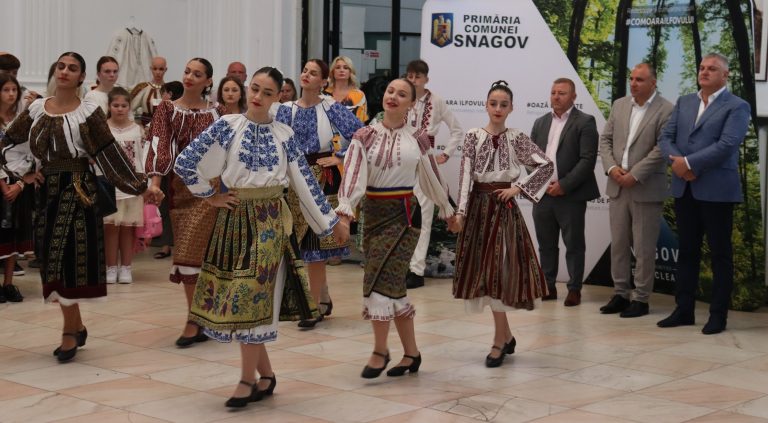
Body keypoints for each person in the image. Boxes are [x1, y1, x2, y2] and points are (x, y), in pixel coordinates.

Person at [175, 66, 345, 408]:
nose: (257, 96)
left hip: (270, 223)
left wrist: (331, 221)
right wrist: (210, 196)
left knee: (253, 296)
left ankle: (246, 380)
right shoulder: (227, 126)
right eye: (254, 88)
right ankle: (265, 374)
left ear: (277, 97)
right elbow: (186, 162)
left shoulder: (284, 134)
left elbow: (304, 183)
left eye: (267, 93)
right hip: (234, 221)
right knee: (243, 301)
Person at [0, 52, 149, 362]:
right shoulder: (37, 109)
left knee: (64, 259)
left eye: (72, 68)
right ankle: (76, 325)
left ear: (81, 77)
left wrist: (140, 185)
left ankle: (70, 332)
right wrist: (26, 174)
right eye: (61, 66)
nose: (65, 71)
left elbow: (109, 152)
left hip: (79, 190)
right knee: (50, 260)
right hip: (46, 192)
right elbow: (9, 141)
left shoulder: (89, 112)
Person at [336, 78, 456, 378]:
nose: (393, 96)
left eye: (402, 94)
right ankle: (412, 354)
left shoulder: (419, 138)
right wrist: (345, 214)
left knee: (378, 280)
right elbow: (352, 176)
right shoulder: (364, 136)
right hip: (374, 215)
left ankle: (380, 351)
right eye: (391, 91)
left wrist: (447, 210)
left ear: (411, 104)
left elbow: (432, 176)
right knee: (393, 287)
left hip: (405, 216)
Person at [452, 81, 552, 367]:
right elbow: (466, 175)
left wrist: (517, 188)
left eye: (503, 104)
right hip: (477, 211)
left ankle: (499, 342)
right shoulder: (472, 136)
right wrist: (460, 212)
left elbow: (546, 165)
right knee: (485, 275)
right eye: (493, 103)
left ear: (511, 108)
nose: (498, 108)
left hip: (503, 211)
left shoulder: (517, 137)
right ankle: (505, 336)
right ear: (486, 105)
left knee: (499, 271)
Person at [657, 53, 751, 335]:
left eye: (712, 68)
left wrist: (688, 164)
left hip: (717, 191)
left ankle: (718, 316)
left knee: (720, 255)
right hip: (685, 188)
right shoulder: (685, 101)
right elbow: (665, 137)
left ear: (726, 74)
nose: (705, 72)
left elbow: (727, 144)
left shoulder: (737, 105)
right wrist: (678, 164)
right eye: (702, 68)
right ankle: (683, 310)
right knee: (687, 252)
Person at [145, 57, 226, 346]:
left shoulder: (219, 113)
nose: (190, 77)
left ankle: (195, 320)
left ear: (208, 81)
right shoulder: (167, 109)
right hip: (179, 189)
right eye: (188, 71)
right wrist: (155, 184)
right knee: (189, 253)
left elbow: (228, 150)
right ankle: (203, 316)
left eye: (197, 74)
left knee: (192, 253)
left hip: (211, 190)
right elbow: (160, 143)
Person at [276, 59, 363, 328]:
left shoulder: (331, 107)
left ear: (323, 81)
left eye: (313, 73)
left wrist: (339, 156)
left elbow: (361, 135)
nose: (306, 75)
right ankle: (320, 298)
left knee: (316, 243)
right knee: (298, 244)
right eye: (305, 70)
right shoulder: (285, 110)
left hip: (322, 178)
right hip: (292, 179)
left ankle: (312, 307)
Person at [598, 63, 674, 318]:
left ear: (653, 82)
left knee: (643, 248)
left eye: (639, 79)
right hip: (618, 185)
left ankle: (641, 299)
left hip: (645, 188)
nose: (633, 83)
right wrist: (611, 169)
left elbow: (662, 149)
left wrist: (636, 174)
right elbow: (605, 139)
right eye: (631, 78)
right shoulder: (620, 105)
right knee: (619, 245)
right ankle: (621, 294)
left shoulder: (666, 109)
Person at [530, 77, 599, 306]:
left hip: (571, 195)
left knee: (574, 245)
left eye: (562, 93)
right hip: (543, 195)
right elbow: (530, 157)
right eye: (553, 93)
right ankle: (548, 286)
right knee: (546, 244)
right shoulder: (540, 122)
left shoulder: (585, 122)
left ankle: (574, 289)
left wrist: (564, 185)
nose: (556, 97)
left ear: (574, 97)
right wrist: (542, 182)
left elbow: (587, 160)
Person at [403, 59, 464, 289]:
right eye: (410, 76)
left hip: (426, 162)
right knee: (403, 216)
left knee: (425, 216)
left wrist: (446, 154)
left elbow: (457, 130)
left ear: (426, 79)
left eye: (417, 76)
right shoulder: (402, 97)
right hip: (403, 161)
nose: (413, 80)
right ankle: (403, 266)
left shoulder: (436, 101)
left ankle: (417, 271)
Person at [0, 72, 38, 302]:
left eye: (14, 90)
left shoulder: (20, 121)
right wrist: (3, 184)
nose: (11, 94)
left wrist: (21, 184)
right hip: (2, 183)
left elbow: (30, 154)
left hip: (18, 183)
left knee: (13, 234)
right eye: (6, 90)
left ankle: (8, 283)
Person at [104, 87, 146, 284]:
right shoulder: (103, 129)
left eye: (123, 105)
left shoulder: (137, 130)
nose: (120, 109)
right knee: (110, 227)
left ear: (129, 107)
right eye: (116, 105)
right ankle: (111, 268)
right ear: (109, 106)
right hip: (108, 184)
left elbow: (143, 158)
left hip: (131, 186)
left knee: (128, 227)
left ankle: (126, 267)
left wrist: (144, 183)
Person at [323, 56, 368, 123]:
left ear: (350, 72)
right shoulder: (323, 94)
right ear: (333, 72)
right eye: (338, 67)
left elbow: (361, 122)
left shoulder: (359, 95)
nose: (341, 70)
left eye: (346, 68)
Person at [130, 56, 167, 126]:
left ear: (166, 70)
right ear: (151, 69)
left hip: (164, 127)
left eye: (161, 69)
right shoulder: (143, 88)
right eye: (155, 69)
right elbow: (129, 108)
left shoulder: (170, 89)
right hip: (145, 127)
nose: (158, 72)